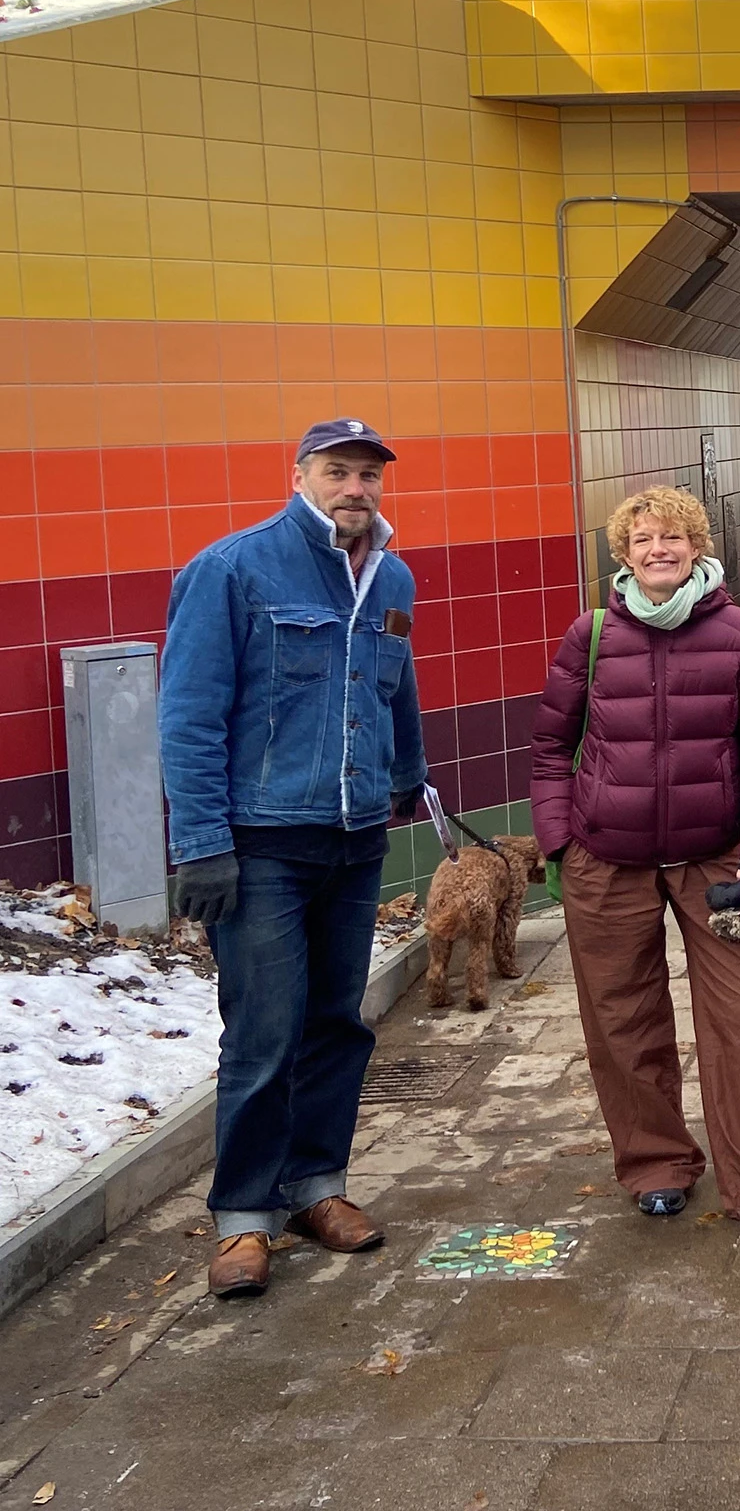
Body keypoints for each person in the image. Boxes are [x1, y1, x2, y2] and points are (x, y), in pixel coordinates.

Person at [158, 418, 425, 1299]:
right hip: (260, 842)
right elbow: (189, 716)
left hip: (354, 840)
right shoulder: (232, 570)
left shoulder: (391, 574)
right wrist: (201, 845)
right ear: (302, 475)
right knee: (265, 1032)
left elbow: (397, 689)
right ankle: (243, 1218)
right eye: (338, 472)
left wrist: (408, 776)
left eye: (369, 476)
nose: (356, 488)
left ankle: (317, 1188)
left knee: (336, 1024)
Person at [530, 486, 740, 1226]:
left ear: (697, 546)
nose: (658, 550)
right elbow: (548, 748)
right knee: (622, 1021)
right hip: (607, 859)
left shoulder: (738, 633)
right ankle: (655, 1164)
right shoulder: (591, 633)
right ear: (624, 554)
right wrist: (559, 842)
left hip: (716, 862)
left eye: (672, 537)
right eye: (642, 541)